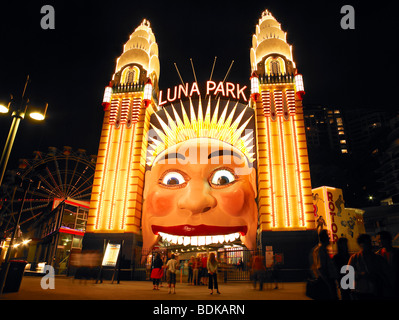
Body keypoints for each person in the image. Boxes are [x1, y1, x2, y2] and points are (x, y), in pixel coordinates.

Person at [348, 233, 392, 300]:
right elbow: (349, 273)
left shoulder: (378, 258)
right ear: (361, 244)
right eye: (366, 242)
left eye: (369, 242)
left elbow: (386, 273)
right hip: (361, 291)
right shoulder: (355, 258)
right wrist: (361, 274)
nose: (368, 244)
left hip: (375, 290)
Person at [310, 229, 338, 300]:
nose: (329, 239)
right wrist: (328, 283)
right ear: (325, 239)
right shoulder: (321, 250)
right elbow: (321, 267)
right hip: (326, 281)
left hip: (327, 280)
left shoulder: (322, 250)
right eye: (328, 237)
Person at [376, 231, 399, 298]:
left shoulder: (397, 252)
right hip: (384, 286)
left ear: (387, 239)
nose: (379, 241)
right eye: (378, 239)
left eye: (380, 239)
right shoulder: (377, 254)